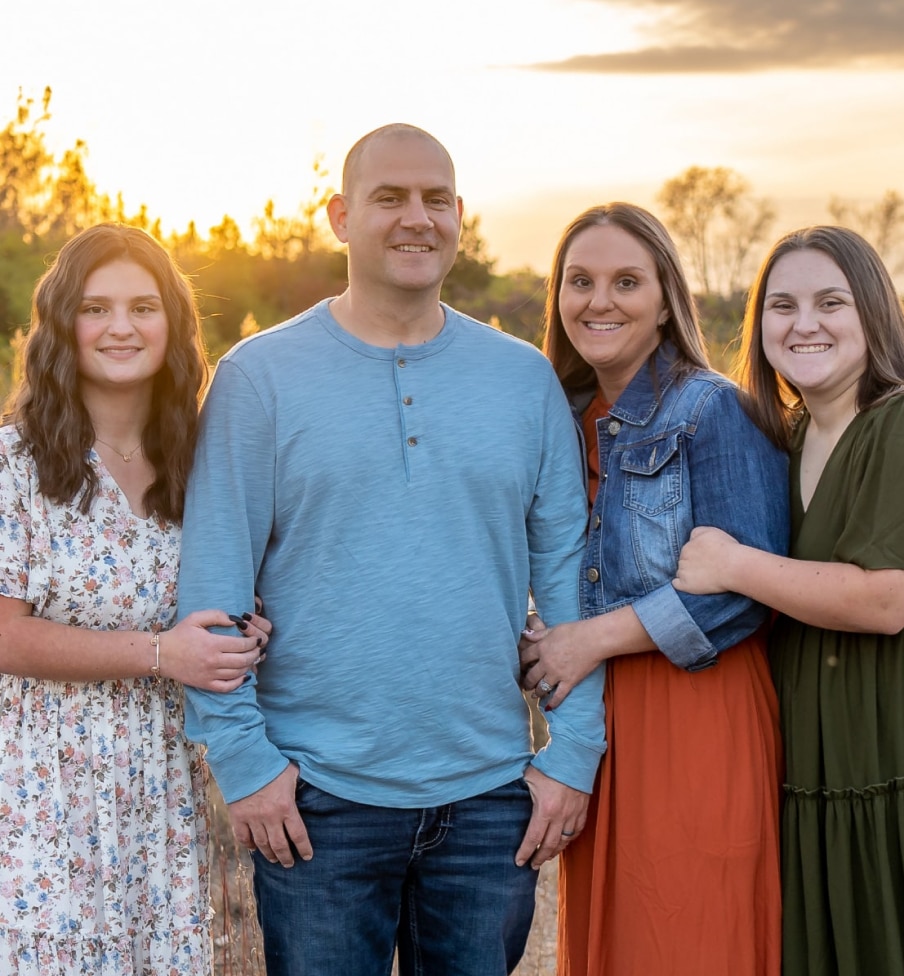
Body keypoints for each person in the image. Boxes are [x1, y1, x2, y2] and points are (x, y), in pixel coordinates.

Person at [175, 123, 606, 976]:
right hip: (316, 798)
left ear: (458, 216)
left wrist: (576, 754)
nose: (418, 218)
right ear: (339, 216)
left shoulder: (522, 380)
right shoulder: (259, 377)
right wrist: (244, 760)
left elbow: (569, 582)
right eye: (389, 198)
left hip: (489, 796)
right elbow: (215, 580)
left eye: (435, 199)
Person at [673, 224, 904, 975]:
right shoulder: (785, 437)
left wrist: (734, 563)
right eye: (782, 305)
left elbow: (885, 600)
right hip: (818, 771)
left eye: (829, 301)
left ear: (872, 311)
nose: (804, 323)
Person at [517, 203, 789, 975]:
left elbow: (743, 592)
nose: (599, 301)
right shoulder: (562, 419)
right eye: (581, 281)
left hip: (696, 710)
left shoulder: (710, 410)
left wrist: (588, 639)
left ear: (667, 298)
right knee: (616, 939)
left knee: (689, 933)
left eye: (626, 281)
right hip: (600, 716)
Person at [0, 223, 270, 975]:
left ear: (173, 325)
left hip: (162, 786)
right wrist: (162, 654)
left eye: (144, 307)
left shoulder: (201, 463)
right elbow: (4, 636)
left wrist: (240, 635)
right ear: (63, 326)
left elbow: (222, 600)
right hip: (41, 793)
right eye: (96, 309)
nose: (121, 327)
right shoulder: (13, 465)